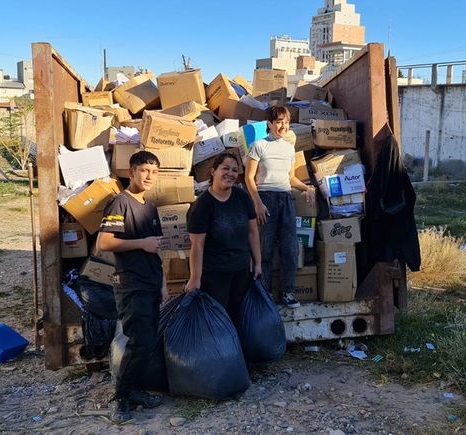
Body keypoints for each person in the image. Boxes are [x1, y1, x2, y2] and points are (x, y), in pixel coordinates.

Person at [98, 150, 168, 423]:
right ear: (132, 172)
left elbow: (157, 248)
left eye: (154, 172)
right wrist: (140, 243)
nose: (150, 176)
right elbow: (103, 243)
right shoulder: (120, 203)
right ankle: (121, 399)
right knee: (138, 342)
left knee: (147, 342)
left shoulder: (149, 206)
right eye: (144, 170)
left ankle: (136, 391)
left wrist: (162, 283)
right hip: (130, 284)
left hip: (150, 283)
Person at [245, 106, 315, 308]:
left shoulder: (288, 148)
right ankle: (265, 294)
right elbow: (249, 178)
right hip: (265, 199)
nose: (282, 126)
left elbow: (291, 177)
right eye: (278, 122)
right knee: (265, 250)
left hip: (286, 199)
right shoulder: (259, 145)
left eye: (285, 122)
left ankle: (288, 293)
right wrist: (257, 203)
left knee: (290, 249)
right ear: (269, 124)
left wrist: (307, 188)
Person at [185, 152, 262, 320]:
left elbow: (253, 232)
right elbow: (197, 245)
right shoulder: (202, 206)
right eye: (225, 168)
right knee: (217, 318)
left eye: (235, 170)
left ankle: (237, 346)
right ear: (213, 172)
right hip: (214, 275)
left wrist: (258, 263)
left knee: (239, 317)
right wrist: (195, 278)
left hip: (241, 271)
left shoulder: (242, 197)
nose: (231, 173)